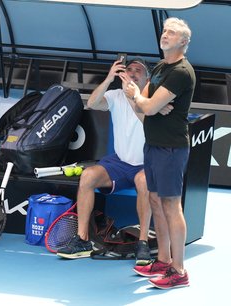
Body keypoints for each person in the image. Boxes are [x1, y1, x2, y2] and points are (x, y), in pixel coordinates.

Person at [56, 58, 157, 265]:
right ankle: (82, 240)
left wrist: (132, 96)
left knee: (144, 182)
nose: (132, 73)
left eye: (138, 70)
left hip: (147, 163)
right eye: (128, 69)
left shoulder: (153, 99)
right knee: (88, 175)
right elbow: (92, 103)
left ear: (148, 79)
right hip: (120, 162)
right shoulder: (115, 95)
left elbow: (148, 122)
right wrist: (109, 78)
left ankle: (143, 242)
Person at [122, 17, 195, 289]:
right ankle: (163, 261)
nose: (165, 35)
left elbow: (149, 106)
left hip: (171, 148)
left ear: (183, 42)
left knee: (171, 206)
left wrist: (145, 100)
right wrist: (143, 100)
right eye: (165, 31)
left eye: (172, 33)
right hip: (152, 144)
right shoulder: (162, 67)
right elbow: (145, 105)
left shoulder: (181, 72)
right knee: (155, 201)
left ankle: (179, 270)